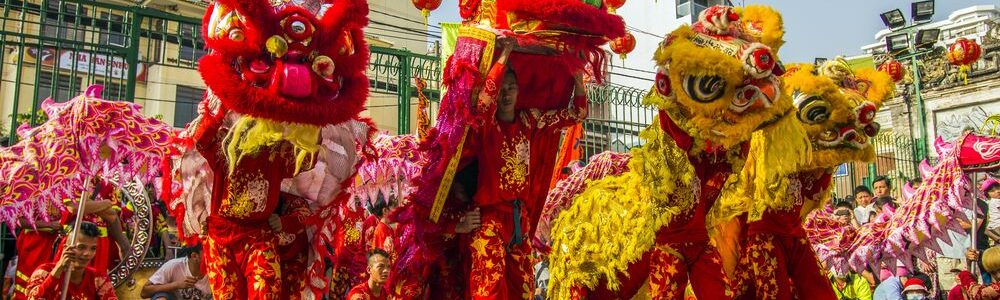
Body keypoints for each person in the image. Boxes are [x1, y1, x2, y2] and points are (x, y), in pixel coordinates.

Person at [468, 36, 588, 300]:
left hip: (519, 220)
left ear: (519, 91)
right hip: (490, 221)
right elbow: (483, 102)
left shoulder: (529, 120)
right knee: (487, 292)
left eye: (511, 87)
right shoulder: (486, 124)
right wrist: (504, 56)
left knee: (524, 290)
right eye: (501, 88)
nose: (506, 94)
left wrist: (579, 82)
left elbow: (576, 116)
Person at [25, 221, 117, 299]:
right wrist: (57, 270)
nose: (87, 253)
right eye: (81, 247)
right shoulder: (43, 272)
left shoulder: (99, 279)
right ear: (66, 248)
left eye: (93, 248)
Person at [140, 244, 210, 300]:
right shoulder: (174, 265)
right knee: (160, 297)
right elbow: (144, 292)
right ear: (194, 256)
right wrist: (175, 285)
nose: (214, 255)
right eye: (209, 251)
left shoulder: (216, 271)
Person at [982, 178, 1000, 246]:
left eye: (998, 188)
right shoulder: (995, 201)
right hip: (998, 226)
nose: (997, 191)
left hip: (993, 228)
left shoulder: (991, 201)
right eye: (993, 191)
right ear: (987, 194)